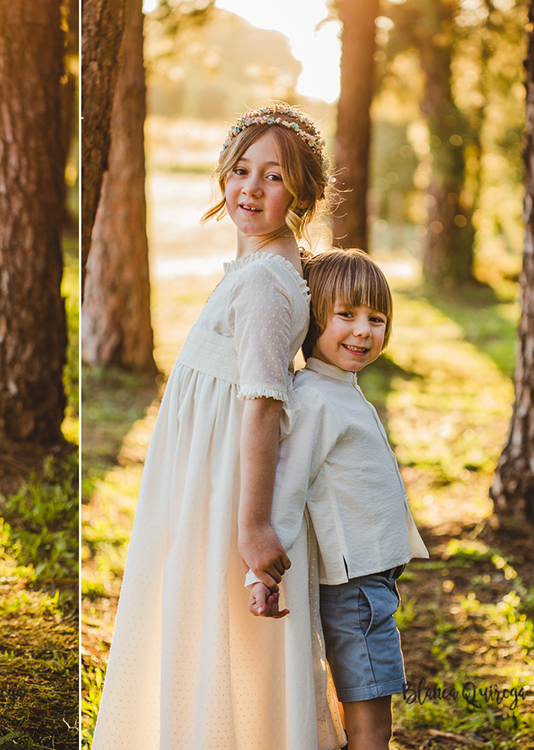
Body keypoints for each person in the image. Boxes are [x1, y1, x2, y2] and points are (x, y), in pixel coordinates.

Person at [91, 103, 346, 750]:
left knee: (218, 624)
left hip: (226, 484)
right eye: (240, 170)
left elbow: (263, 402)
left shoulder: (265, 284)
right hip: (204, 473)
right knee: (205, 622)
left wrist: (253, 523)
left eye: (273, 176)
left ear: (304, 192)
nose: (250, 189)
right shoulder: (260, 271)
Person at [248, 249, 429, 750]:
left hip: (371, 583)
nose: (363, 331)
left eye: (376, 318)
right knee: (372, 721)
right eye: (345, 315)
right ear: (313, 321)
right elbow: (288, 487)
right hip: (357, 590)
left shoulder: (341, 389)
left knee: (371, 711)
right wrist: (261, 573)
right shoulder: (315, 398)